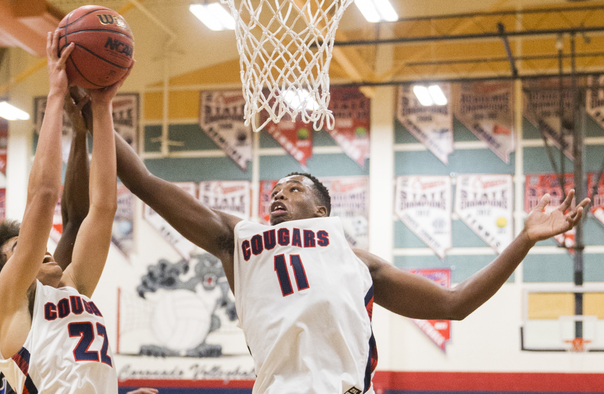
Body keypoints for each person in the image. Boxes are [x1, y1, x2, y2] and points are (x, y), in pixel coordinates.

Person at [114, 127, 589, 394]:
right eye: (274, 191)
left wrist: (524, 239)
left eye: (293, 189)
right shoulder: (239, 240)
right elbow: (142, 180)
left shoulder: (355, 260)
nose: (278, 194)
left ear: (322, 212)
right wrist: (94, 103)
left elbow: (454, 304)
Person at [0, 30, 147, 394]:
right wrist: (54, 93)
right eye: (18, 249)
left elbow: (104, 207)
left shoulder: (75, 289)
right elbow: (44, 194)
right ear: (6, 274)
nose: (42, 247)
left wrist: (102, 107)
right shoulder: (14, 305)